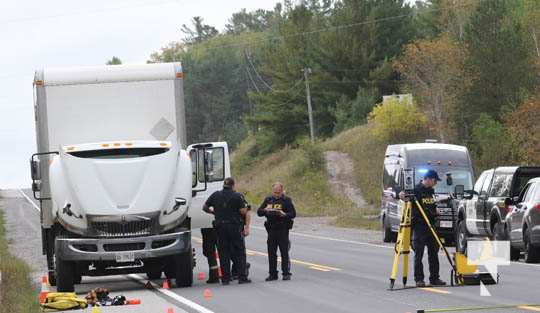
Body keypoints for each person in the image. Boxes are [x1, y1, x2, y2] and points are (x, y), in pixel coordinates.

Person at [399, 169, 446, 287]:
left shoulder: (431, 191)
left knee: (433, 253)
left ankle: (435, 278)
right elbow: (404, 196)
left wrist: (436, 212)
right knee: (418, 254)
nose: (435, 183)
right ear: (429, 179)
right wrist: (401, 195)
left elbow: (431, 205)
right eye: (435, 181)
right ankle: (419, 279)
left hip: (431, 226)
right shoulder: (416, 190)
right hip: (420, 226)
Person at [203, 177, 251, 285]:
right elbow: (243, 211)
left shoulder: (215, 195)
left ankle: (225, 278)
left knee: (223, 252)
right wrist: (247, 209)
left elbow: (205, 207)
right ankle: (242, 277)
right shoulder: (237, 196)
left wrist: (213, 213)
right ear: (233, 185)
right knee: (239, 251)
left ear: (223, 185)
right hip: (234, 227)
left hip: (220, 227)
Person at [257, 182, 296, 281]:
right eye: (275, 192)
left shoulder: (286, 200)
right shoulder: (269, 199)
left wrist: (284, 214)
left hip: (282, 229)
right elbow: (259, 212)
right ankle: (272, 274)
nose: (276, 194)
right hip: (271, 229)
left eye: (278, 192)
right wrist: (265, 210)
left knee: (284, 252)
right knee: (271, 252)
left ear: (282, 191)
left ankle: (286, 273)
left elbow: (293, 214)